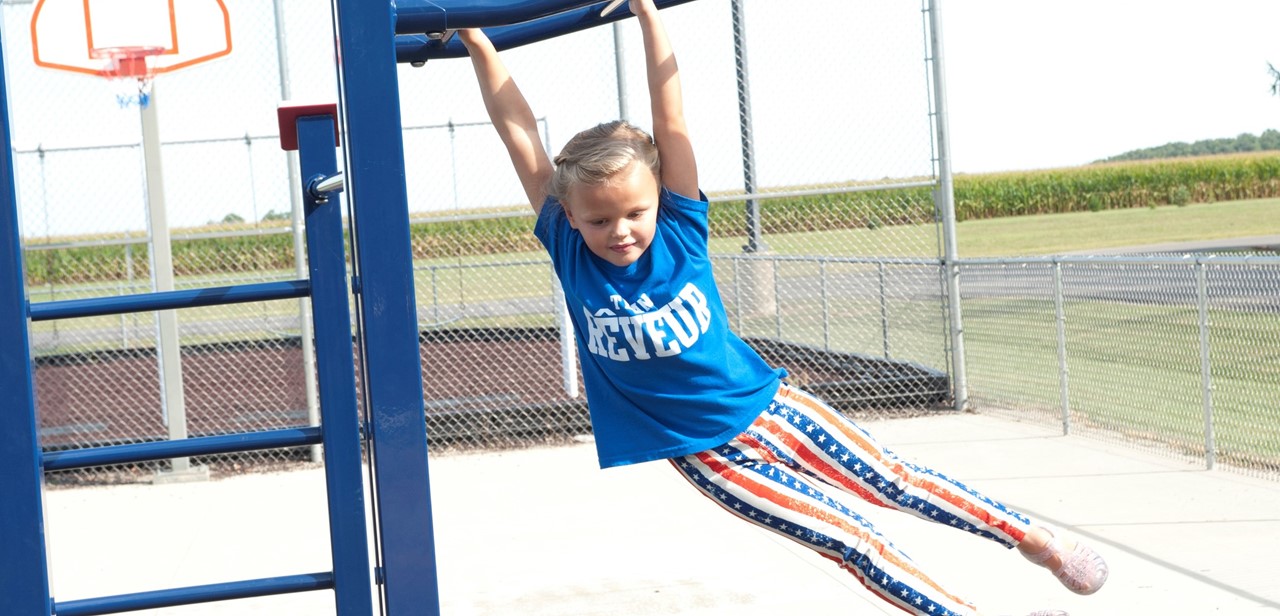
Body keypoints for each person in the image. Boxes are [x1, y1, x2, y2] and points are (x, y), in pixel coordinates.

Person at [458, 2, 1107, 614]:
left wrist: (648, 14)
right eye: (599, 219)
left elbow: (671, 116)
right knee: (853, 543)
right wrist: (474, 36)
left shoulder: (681, 229)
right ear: (568, 216)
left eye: (634, 212)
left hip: (774, 408)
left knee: (896, 483)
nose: (620, 230)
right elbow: (519, 136)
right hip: (708, 455)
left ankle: (1034, 539)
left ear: (659, 197)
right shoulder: (570, 251)